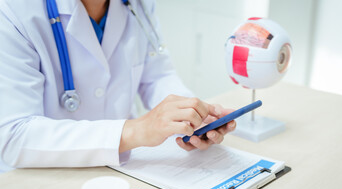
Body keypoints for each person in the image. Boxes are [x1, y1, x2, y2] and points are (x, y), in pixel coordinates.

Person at [0, 0, 236, 169]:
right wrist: (137, 130)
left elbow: (157, 76)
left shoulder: (137, 4)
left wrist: (190, 116)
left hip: (124, 168)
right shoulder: (12, 10)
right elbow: (14, 136)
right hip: (42, 176)